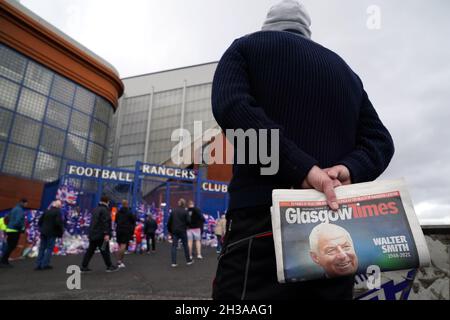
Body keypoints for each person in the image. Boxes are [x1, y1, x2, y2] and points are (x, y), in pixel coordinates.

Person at [211, 0, 394, 299]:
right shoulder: (345, 72)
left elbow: (233, 108)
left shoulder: (246, 48)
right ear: (307, 31)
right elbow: (380, 141)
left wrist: (302, 169)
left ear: (267, 25)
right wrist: (346, 170)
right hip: (334, 220)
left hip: (262, 221)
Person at [80, 196, 118, 272]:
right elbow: (105, 222)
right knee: (105, 250)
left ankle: (84, 266)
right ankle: (109, 266)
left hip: (94, 234)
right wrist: (107, 233)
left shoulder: (96, 209)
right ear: (107, 202)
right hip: (101, 235)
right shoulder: (105, 210)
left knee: (90, 251)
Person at [35, 200, 64, 270]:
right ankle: (45, 264)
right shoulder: (58, 212)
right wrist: (60, 232)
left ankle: (38, 264)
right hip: (52, 233)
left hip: (43, 232)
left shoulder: (47, 211)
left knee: (42, 248)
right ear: (59, 206)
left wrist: (41, 228)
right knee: (49, 248)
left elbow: (40, 221)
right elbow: (58, 223)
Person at [0, 198, 27, 268]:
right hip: (14, 230)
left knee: (10, 246)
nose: (26, 204)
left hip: (10, 229)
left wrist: (9, 226)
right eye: (26, 203)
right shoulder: (20, 210)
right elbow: (18, 221)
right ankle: (3, 261)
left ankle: (4, 261)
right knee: (11, 246)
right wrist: (21, 228)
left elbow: (8, 218)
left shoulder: (14, 208)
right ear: (22, 203)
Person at [167, 199, 194, 267]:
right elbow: (189, 221)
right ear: (184, 204)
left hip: (175, 231)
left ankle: (174, 262)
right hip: (182, 230)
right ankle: (188, 261)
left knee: (174, 246)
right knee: (185, 246)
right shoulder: (185, 212)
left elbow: (169, 222)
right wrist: (186, 226)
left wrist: (170, 231)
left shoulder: (173, 211)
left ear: (179, 203)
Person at [115, 200, 136, 268]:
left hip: (118, 230)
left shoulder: (118, 213)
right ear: (127, 204)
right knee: (123, 245)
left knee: (120, 245)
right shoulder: (129, 213)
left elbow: (116, 221)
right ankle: (119, 261)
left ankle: (119, 260)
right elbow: (133, 221)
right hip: (126, 230)